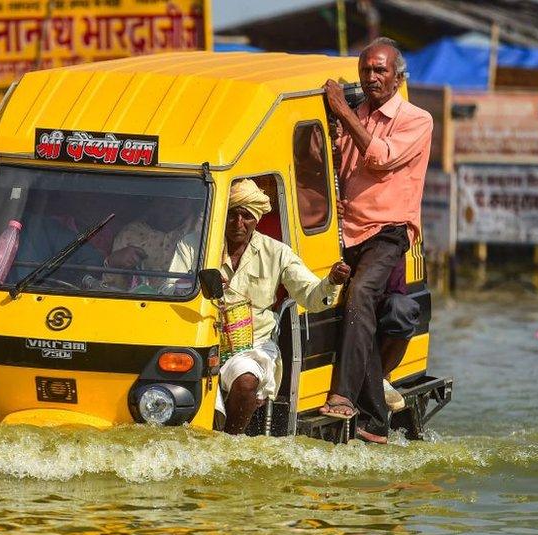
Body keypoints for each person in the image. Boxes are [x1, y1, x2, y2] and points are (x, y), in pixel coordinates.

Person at [321, 37, 433, 444]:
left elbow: (381, 156)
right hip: (347, 229)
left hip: (388, 230)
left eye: (379, 70)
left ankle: (344, 395)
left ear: (398, 77)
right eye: (366, 70)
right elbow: (341, 165)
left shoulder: (416, 119)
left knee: (362, 294)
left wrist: (341, 112)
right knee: (353, 309)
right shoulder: (357, 115)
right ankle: (375, 421)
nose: (371, 77)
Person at [172, 178, 349, 435]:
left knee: (245, 382)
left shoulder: (277, 252)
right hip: (196, 341)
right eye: (232, 215)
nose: (238, 224)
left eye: (246, 216)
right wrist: (200, 284)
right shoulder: (193, 245)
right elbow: (171, 289)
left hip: (252, 345)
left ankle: (230, 441)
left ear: (257, 219)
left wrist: (332, 281)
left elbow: (311, 296)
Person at [103, 197, 198, 291]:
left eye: (182, 198)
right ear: (155, 200)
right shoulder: (131, 233)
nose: (174, 204)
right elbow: (109, 290)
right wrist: (114, 262)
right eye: (168, 198)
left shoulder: (203, 234)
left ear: (192, 201)